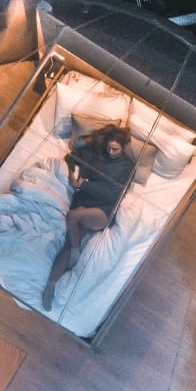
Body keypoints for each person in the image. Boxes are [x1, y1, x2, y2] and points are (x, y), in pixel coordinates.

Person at [42, 124, 134, 310]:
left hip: (103, 209)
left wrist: (83, 185)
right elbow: (72, 157)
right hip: (84, 200)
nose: (111, 151)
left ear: (123, 147)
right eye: (109, 147)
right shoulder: (96, 153)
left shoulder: (126, 166)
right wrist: (72, 175)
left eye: (115, 149)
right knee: (67, 244)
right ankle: (50, 288)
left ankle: (76, 251)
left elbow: (112, 194)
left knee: (72, 216)